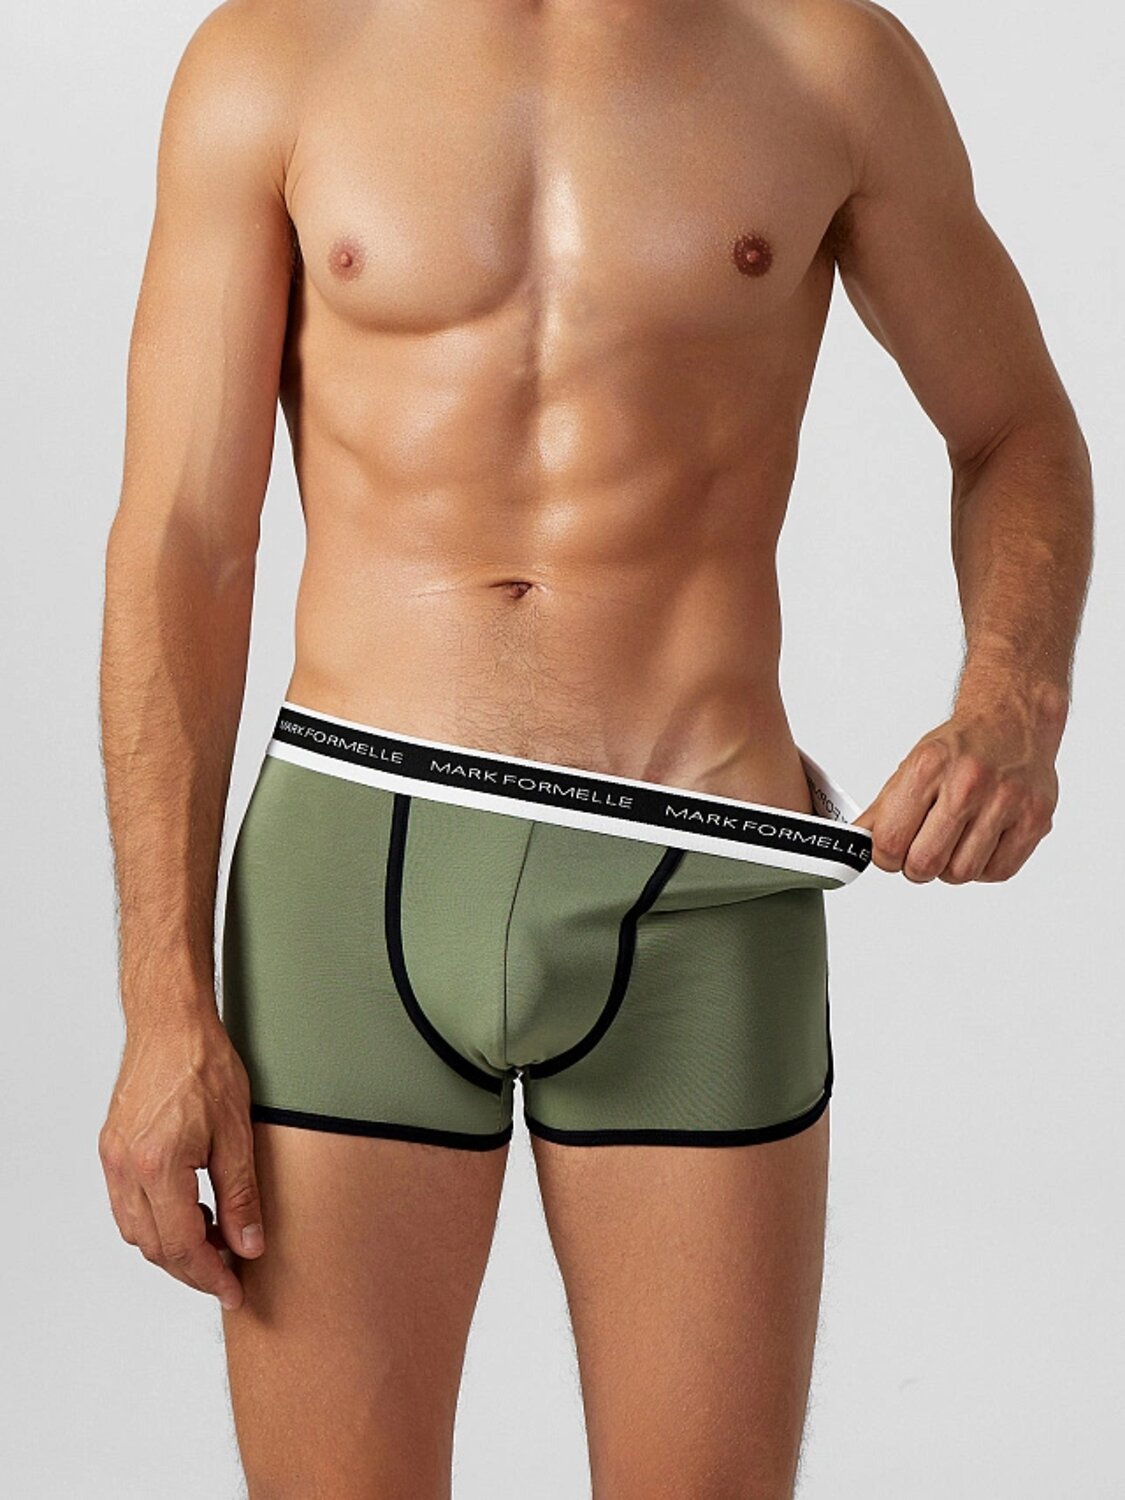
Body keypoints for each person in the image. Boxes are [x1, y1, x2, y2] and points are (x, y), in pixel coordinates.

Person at [96, 0, 1092, 1494]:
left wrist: (1012, 692)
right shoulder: (276, 58)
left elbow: (1015, 426)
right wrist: (160, 1000)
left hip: (702, 872)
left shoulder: (824, 61)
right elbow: (184, 538)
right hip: (353, 880)